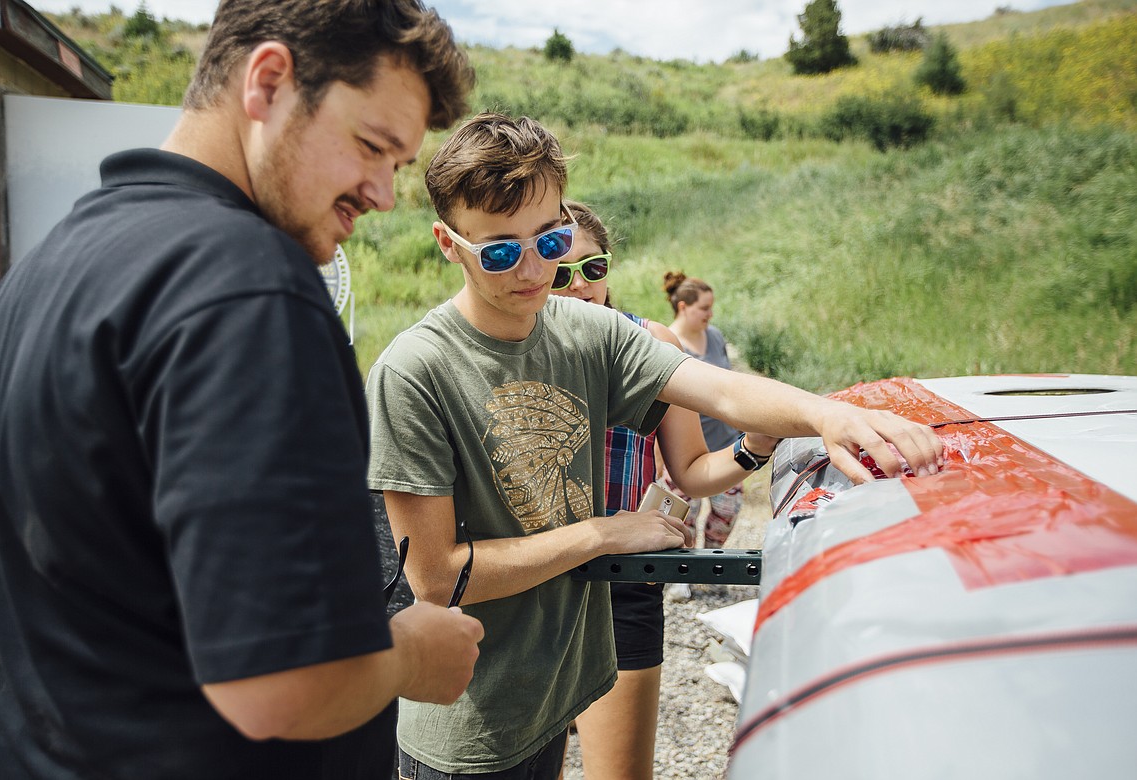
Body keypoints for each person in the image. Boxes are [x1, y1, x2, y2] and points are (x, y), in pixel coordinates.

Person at [0, 2, 484, 779]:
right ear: (269, 81)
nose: (382, 194)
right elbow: (276, 686)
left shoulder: (39, 274)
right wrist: (415, 652)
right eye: (371, 147)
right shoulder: (248, 288)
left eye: (399, 166)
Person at [366, 111, 943, 780]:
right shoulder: (414, 372)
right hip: (470, 721)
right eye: (499, 251)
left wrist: (827, 414)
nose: (533, 269)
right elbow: (435, 577)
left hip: (554, 689)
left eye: (549, 240)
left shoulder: (586, 331)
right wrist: (600, 535)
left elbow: (720, 392)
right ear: (447, 242)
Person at [551, 200, 778, 779]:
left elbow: (693, 470)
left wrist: (756, 447)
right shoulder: (502, 346)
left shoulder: (650, 343)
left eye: (593, 269)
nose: (579, 287)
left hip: (622, 581)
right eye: (560, 272)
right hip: (530, 581)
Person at [662, 271, 758, 549]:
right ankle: (682, 575)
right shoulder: (667, 344)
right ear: (684, 307)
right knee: (681, 520)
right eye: (704, 308)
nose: (710, 314)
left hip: (726, 447)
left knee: (726, 516)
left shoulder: (714, 337)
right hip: (682, 455)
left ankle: (714, 563)